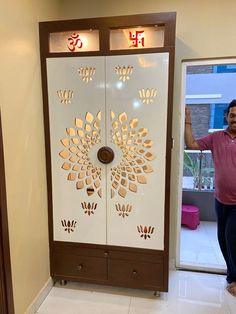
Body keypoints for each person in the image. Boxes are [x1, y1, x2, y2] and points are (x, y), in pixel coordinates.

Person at [185, 100, 236, 297]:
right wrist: (188, 124)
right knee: (222, 238)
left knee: (232, 239)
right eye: (232, 115)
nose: (235, 119)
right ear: (227, 116)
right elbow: (192, 144)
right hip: (220, 199)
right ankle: (231, 274)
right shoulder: (217, 137)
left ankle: (235, 278)